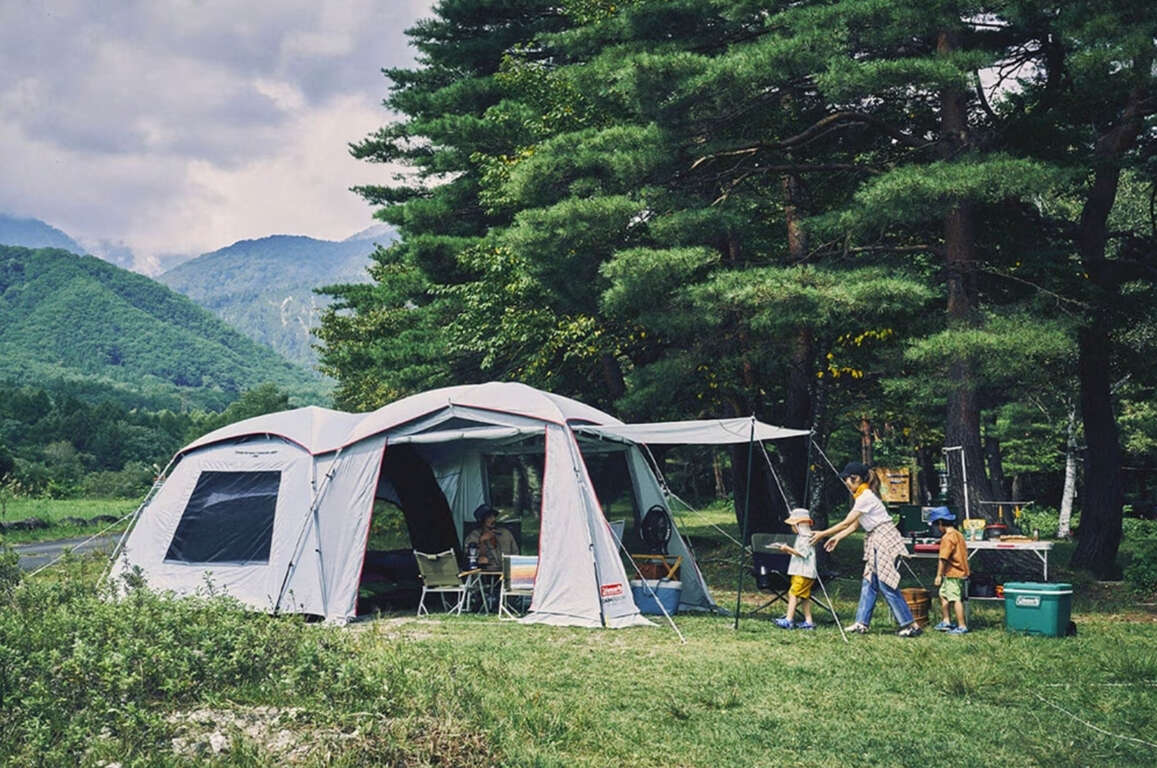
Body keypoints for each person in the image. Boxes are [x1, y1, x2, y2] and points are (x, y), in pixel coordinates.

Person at [811, 461, 923, 637]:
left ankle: (910, 625)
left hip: (884, 539)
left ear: (855, 478)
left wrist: (822, 534)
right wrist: (837, 537)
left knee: (886, 583)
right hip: (876, 538)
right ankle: (861, 623)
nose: (846, 483)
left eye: (847, 479)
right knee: (869, 582)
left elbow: (847, 521)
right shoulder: (862, 496)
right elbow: (855, 525)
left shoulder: (866, 497)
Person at [771, 509, 817, 630]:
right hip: (801, 572)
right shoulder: (802, 537)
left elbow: (802, 553)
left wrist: (787, 548)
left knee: (792, 593)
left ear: (799, 525)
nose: (792, 528)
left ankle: (789, 619)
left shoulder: (806, 538)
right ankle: (809, 621)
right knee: (804, 596)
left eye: (793, 526)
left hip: (804, 572)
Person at [929, 507, 970, 634]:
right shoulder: (958, 534)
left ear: (941, 523)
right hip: (958, 571)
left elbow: (943, 558)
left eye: (936, 525)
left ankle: (962, 625)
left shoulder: (947, 538)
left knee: (955, 598)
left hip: (953, 573)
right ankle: (946, 621)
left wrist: (938, 575)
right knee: (943, 594)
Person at [463, 504, 518, 570]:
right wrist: (481, 541)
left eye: (494, 516)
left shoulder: (506, 534)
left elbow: (516, 555)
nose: (494, 519)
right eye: (489, 517)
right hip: (483, 575)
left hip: (506, 572)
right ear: (482, 520)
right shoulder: (473, 536)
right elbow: (470, 560)